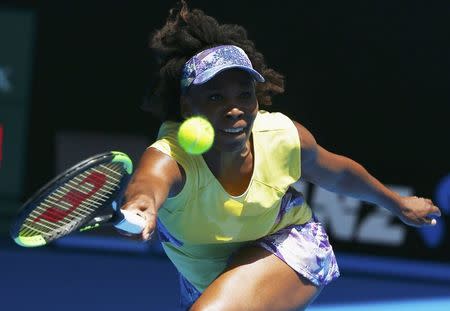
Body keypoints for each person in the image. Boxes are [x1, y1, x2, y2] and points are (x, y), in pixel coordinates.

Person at [120, 1, 442, 310]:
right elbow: (149, 184)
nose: (234, 109)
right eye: (215, 96)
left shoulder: (282, 138)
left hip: (288, 243)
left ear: (256, 101)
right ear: (188, 106)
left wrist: (397, 203)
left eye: (244, 94)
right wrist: (141, 206)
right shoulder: (173, 156)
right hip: (205, 277)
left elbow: (337, 173)